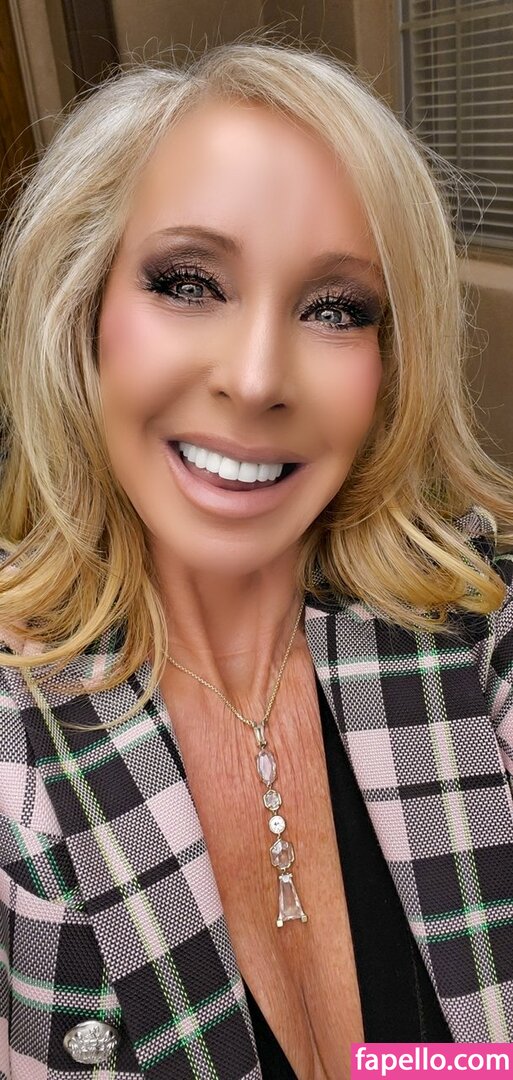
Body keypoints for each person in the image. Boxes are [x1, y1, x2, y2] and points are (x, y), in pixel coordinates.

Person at [0, 33, 513, 1080]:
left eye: (335, 308)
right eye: (190, 282)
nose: (257, 377)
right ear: (82, 312)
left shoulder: (480, 631)